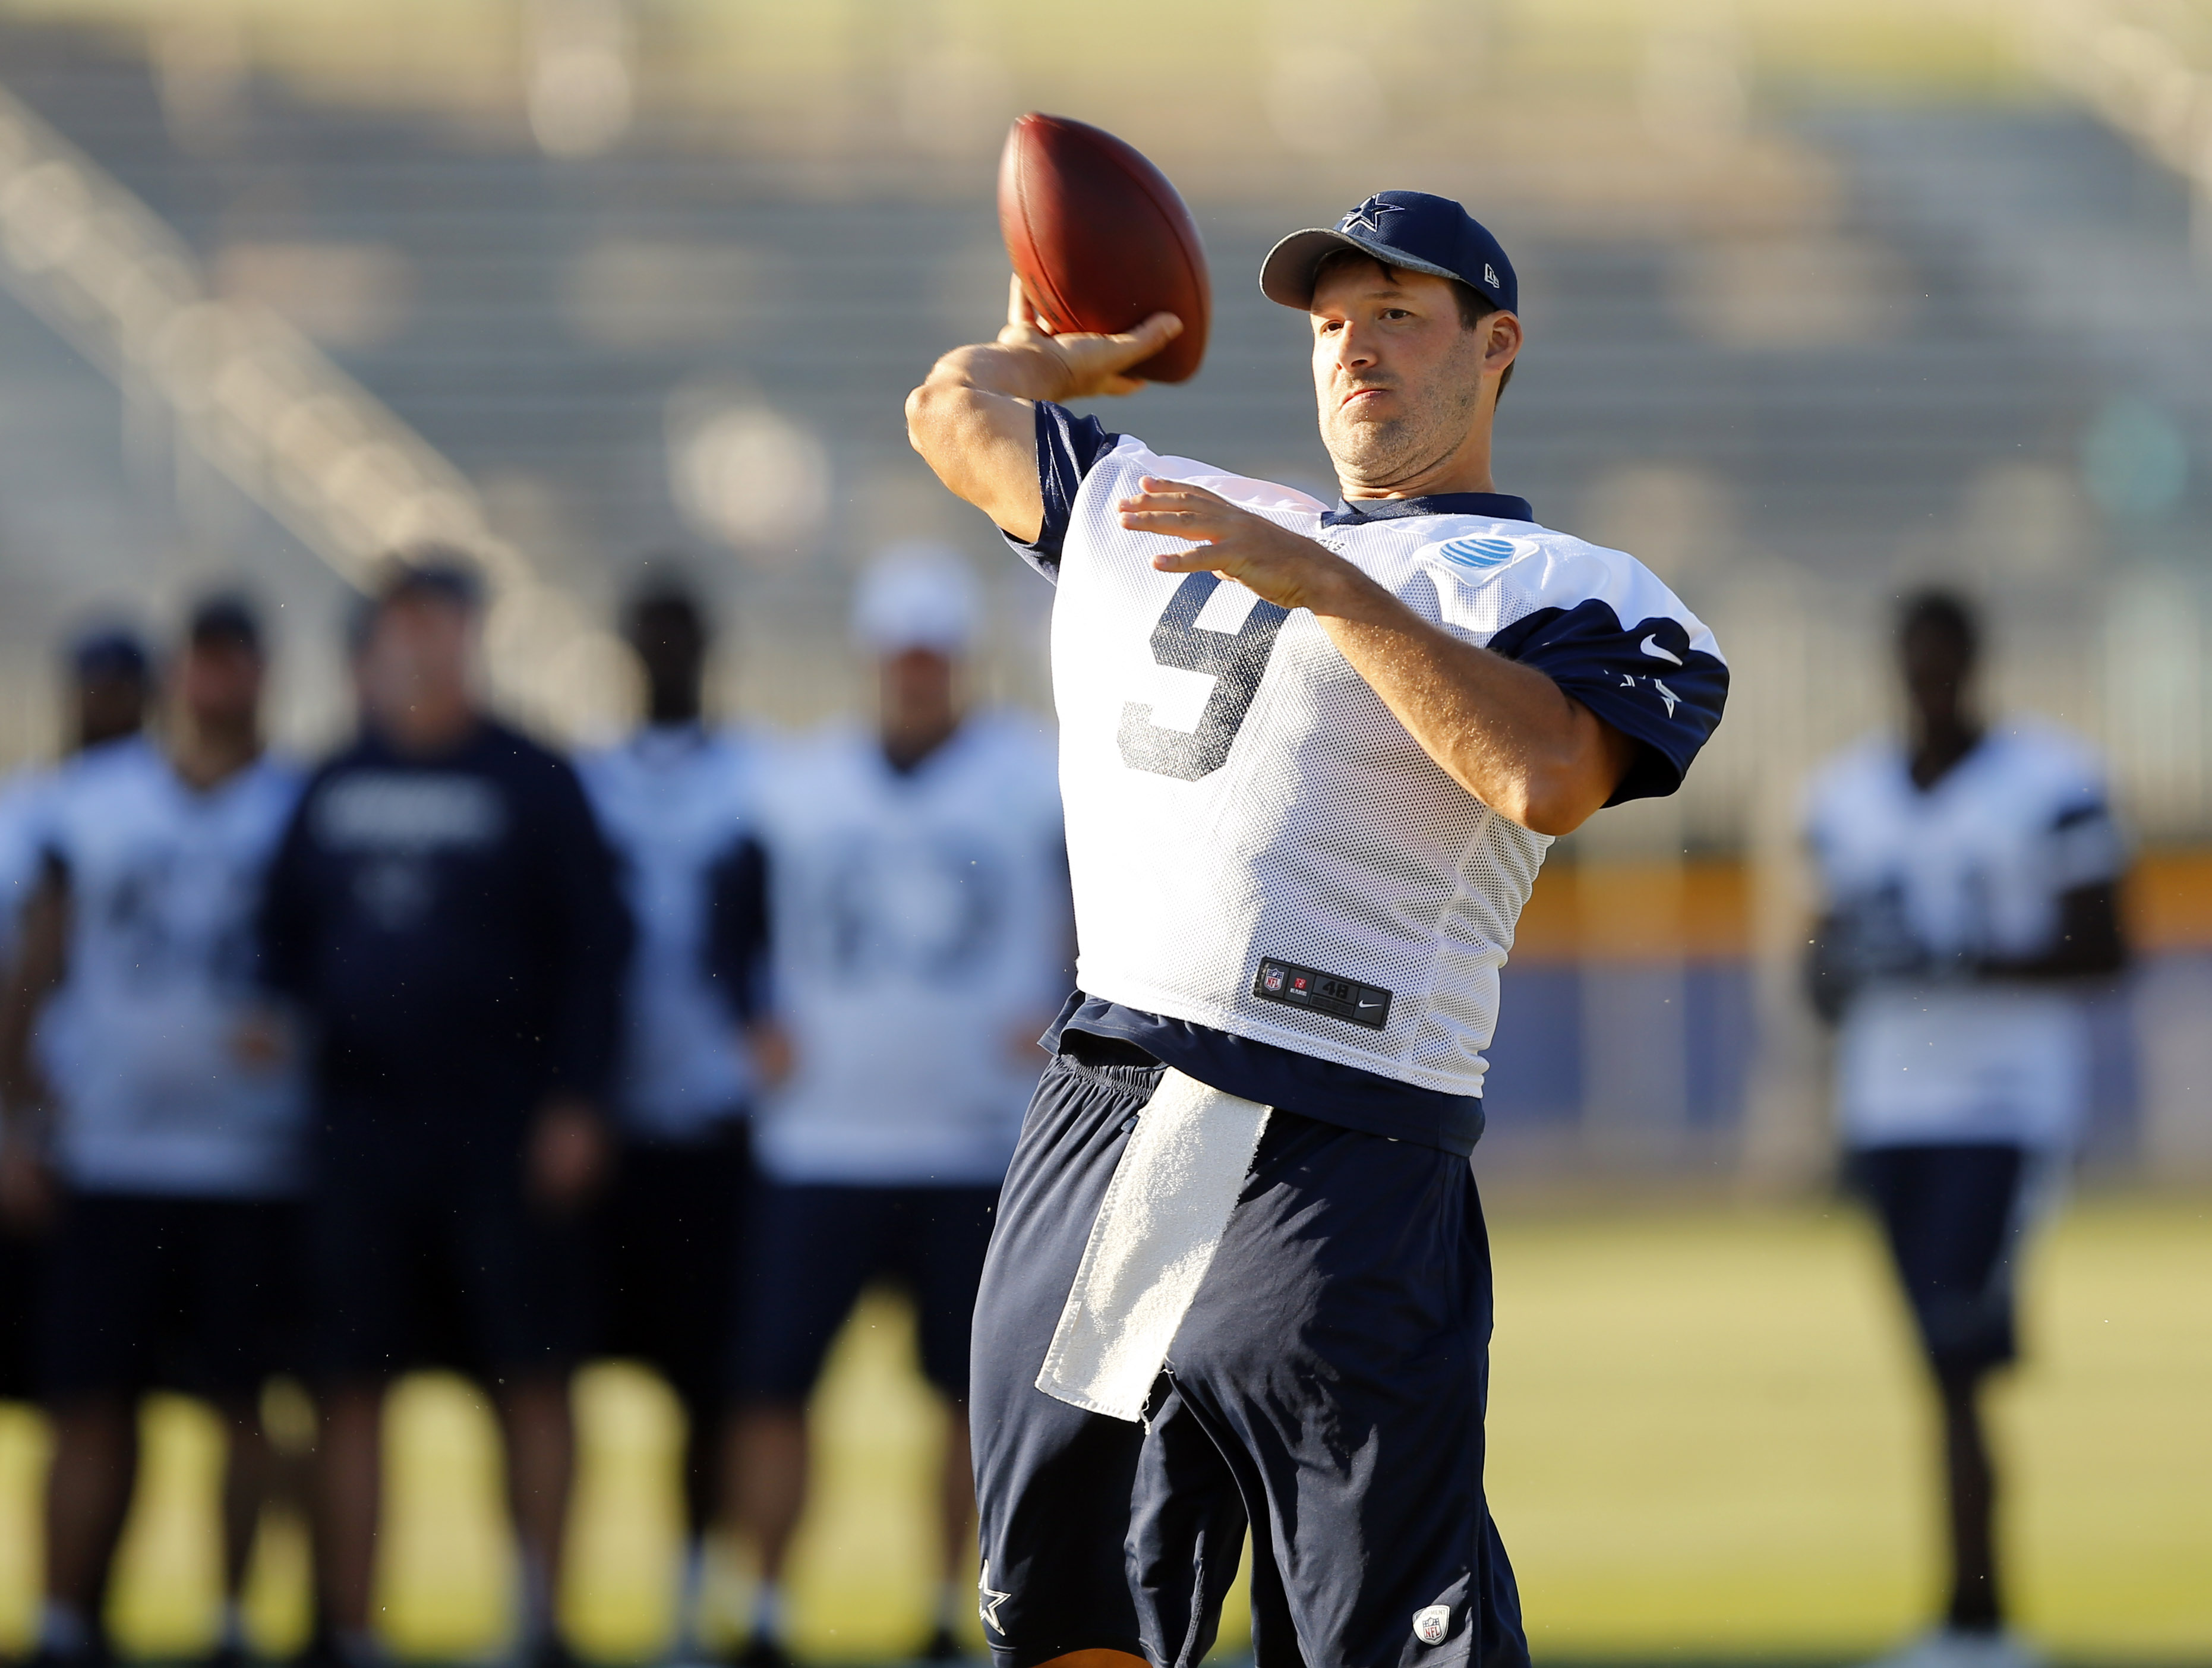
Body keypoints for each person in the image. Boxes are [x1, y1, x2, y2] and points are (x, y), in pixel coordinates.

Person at [904, 190, 1730, 1668]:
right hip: (1107, 1108)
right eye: (1333, 322)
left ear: (1496, 349)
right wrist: (1052, 366)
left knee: (1375, 1634)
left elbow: (1541, 777)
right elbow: (947, 408)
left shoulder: (1563, 589)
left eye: (1399, 318)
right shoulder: (1171, 504)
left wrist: (1331, 587)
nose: (1355, 349)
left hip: (1339, 1138)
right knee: (1064, 1614)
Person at [256, 559, 631, 1668]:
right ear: (371, 646)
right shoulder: (329, 783)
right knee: (347, 1382)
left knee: (531, 1374)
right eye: (401, 628)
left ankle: (537, 1619)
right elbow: (280, 938)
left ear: (469, 639)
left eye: (440, 626)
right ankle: (352, 1624)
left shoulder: (533, 779)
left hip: (504, 1133)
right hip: (360, 1134)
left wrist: (577, 1102)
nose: (420, 649)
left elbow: (598, 954)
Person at [722, 546, 1070, 1668]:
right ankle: (766, 1607)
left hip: (977, 1138)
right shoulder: (796, 783)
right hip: (820, 1136)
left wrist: (1072, 1011)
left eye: (934, 658)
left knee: (970, 1404)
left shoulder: (1031, 776)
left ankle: (950, 1605)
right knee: (775, 1388)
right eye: (903, 658)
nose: (918, 677)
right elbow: (720, 919)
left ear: (960, 662)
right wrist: (749, 1017)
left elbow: (1119, 903)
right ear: (875, 661)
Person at [1803, 591, 2126, 1668]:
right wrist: (1846, 966)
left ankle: (1978, 1620)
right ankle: (1969, 1615)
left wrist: (1964, 961)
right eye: (1914, 665)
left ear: (1975, 666)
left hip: (2002, 1106)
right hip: (1890, 1107)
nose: (1929, 686)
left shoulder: (2053, 782)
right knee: (1936, 1362)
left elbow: (2108, 948)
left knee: (1956, 1360)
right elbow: (1823, 972)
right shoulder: (1847, 796)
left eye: (1944, 665)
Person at [0, 598, 305, 1668]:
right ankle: (64, 1617)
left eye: (236, 663)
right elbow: (30, 974)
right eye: (204, 665)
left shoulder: (298, 807)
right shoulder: (91, 808)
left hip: (256, 1161)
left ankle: (232, 1619)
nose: (218, 685)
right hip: (111, 1158)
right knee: (88, 1404)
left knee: (243, 1406)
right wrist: (13, 1126)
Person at [576, 578, 762, 1658]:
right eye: (649, 634)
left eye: (679, 636)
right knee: (565, 1371)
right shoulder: (589, 783)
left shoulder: (756, 783)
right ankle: (558, 1593)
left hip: (711, 1122)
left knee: (712, 1383)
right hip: (602, 1125)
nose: (663, 654)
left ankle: (695, 1592)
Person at [0, 626, 156, 1415]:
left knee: (99, 1388)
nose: (108, 706)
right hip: (45, 1126)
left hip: (130, 1137)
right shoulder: (29, 812)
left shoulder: (171, 811)